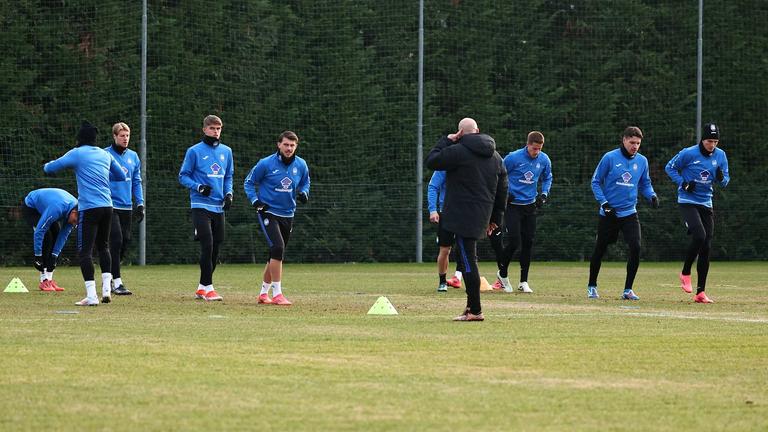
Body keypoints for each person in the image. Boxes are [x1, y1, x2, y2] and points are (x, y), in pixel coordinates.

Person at [425, 118, 507, 321]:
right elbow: (503, 190)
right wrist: (495, 218)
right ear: (478, 131)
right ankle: (471, 306)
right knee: (466, 259)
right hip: (482, 215)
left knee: (468, 262)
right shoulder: (496, 157)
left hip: (460, 217)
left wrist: (447, 140)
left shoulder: (458, 151)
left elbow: (432, 160)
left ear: (460, 133)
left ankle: (475, 311)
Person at [44, 121, 126, 306]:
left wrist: (46, 165)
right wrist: (101, 175)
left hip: (89, 208)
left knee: (85, 252)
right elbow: (121, 176)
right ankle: (106, 289)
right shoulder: (105, 154)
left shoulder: (77, 153)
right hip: (108, 206)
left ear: (80, 139)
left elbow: (50, 168)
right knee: (103, 247)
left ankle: (91, 296)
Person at [587, 126, 658, 300]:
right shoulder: (610, 158)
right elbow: (595, 182)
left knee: (636, 247)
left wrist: (652, 195)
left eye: (638, 143)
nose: (635, 146)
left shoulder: (642, 161)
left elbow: (644, 184)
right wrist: (604, 204)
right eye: (632, 142)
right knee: (600, 249)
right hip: (609, 214)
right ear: (624, 140)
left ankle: (627, 290)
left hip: (629, 213)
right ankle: (592, 286)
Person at [665, 123, 729, 303]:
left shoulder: (721, 155)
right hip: (687, 202)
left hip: (706, 203)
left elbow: (724, 181)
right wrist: (683, 183)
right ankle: (685, 272)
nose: (712, 145)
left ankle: (700, 293)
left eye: (715, 141)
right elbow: (669, 167)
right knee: (699, 236)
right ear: (703, 139)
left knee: (706, 246)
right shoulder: (689, 153)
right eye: (710, 141)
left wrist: (721, 178)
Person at [244, 130, 310, 306]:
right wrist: (255, 201)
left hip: (288, 214)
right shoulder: (265, 163)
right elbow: (249, 183)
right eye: (286, 144)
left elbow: (305, 181)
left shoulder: (301, 164)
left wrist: (304, 192)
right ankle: (278, 294)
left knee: (275, 254)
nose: (289, 148)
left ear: (296, 146)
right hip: (268, 212)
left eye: (292, 145)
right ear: (279, 144)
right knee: (278, 247)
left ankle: (263, 294)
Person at [179, 115, 234, 302]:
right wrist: (199, 187)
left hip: (219, 207)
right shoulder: (194, 151)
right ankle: (209, 288)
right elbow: (183, 176)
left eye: (218, 128)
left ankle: (202, 287)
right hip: (200, 205)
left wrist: (229, 194)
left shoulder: (227, 151)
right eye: (212, 128)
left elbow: (228, 177)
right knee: (207, 244)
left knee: (216, 247)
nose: (215, 132)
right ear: (204, 129)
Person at [490, 131, 552, 294]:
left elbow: (547, 178)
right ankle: (502, 274)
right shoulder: (513, 158)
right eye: (534, 148)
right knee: (514, 241)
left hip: (530, 206)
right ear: (528, 144)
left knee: (528, 243)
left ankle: (523, 281)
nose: (536, 152)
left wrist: (544, 194)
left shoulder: (544, 159)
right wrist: (504, 194)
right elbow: (499, 175)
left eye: (539, 149)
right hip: (512, 205)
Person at [105, 122, 144, 296]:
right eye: (122, 135)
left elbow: (136, 181)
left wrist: (140, 203)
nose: (125, 138)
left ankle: (110, 275)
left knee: (125, 241)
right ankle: (117, 282)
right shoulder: (105, 155)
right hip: (110, 205)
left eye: (127, 135)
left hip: (127, 207)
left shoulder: (134, 157)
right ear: (114, 136)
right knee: (116, 239)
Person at [21, 188, 78, 292]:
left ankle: (50, 280)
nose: (74, 224)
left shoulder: (75, 213)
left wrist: (54, 256)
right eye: (75, 221)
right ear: (74, 212)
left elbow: (62, 236)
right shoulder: (57, 208)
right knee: (46, 236)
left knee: (56, 234)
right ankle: (44, 281)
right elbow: (39, 231)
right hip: (32, 207)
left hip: (48, 207)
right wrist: (38, 255)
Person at [427, 170, 462, 292]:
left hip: (466, 213)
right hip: (446, 213)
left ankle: (461, 278)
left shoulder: (470, 163)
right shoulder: (444, 166)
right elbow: (433, 187)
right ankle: (442, 281)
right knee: (445, 249)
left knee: (467, 248)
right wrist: (433, 210)